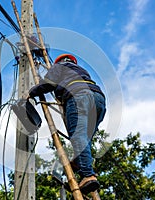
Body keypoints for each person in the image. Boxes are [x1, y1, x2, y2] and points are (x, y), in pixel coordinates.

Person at [28, 54, 106, 194]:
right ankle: (79, 163)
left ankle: (88, 175)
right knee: (84, 139)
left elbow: (48, 84)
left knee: (78, 135)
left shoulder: (60, 66)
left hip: (78, 96)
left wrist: (32, 92)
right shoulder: (81, 70)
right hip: (99, 100)